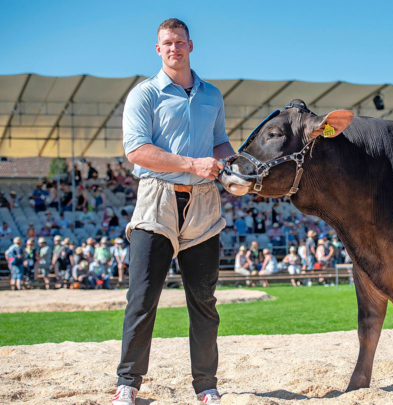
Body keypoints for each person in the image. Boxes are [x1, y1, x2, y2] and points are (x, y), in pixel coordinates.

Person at [113, 18, 235, 405]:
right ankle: (128, 384)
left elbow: (219, 144)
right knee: (142, 297)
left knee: (203, 300)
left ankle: (206, 387)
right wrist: (192, 163)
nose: (174, 48)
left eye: (180, 42)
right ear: (158, 49)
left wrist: (235, 166)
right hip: (156, 199)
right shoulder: (144, 94)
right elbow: (137, 151)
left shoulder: (212, 95)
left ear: (191, 46)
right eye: (167, 43)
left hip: (203, 201)